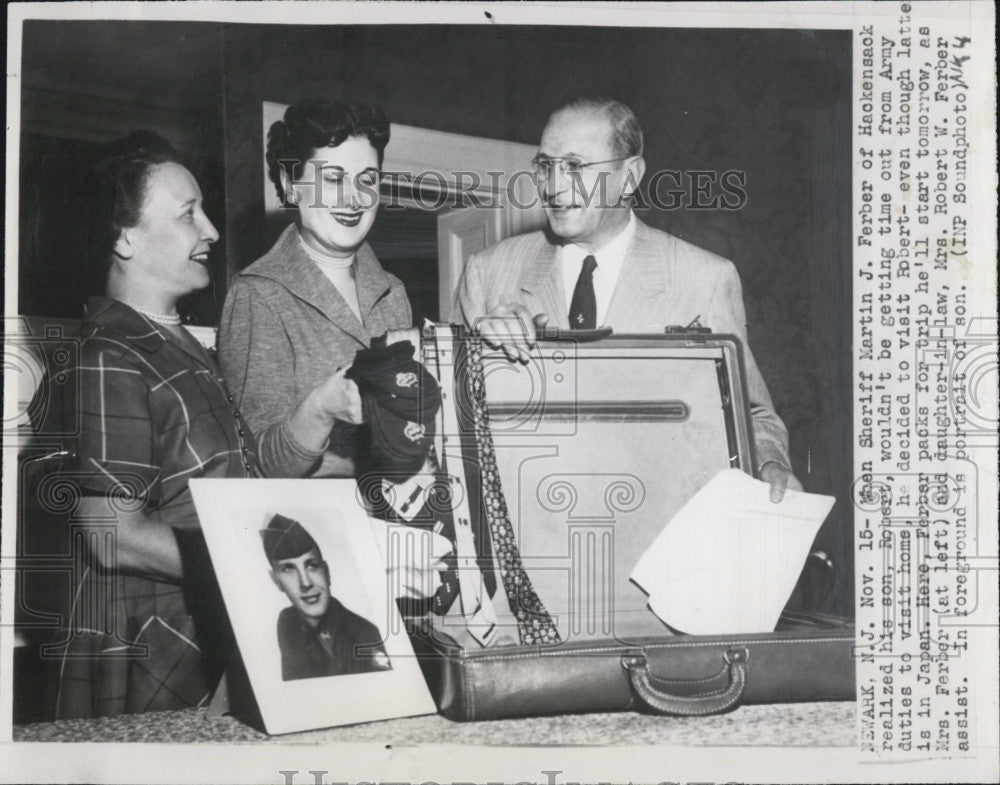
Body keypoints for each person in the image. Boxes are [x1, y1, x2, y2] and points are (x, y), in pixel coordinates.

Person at [456, 97, 802, 502]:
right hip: (530, 536)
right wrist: (476, 356)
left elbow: (753, 416)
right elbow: (444, 422)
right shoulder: (489, 272)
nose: (553, 186)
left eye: (575, 166)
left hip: (659, 537)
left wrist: (768, 464)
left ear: (629, 176)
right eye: (545, 166)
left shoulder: (704, 278)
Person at [54, 131, 255, 718]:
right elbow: (109, 532)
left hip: (203, 619)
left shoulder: (175, 342)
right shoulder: (109, 350)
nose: (211, 230)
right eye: (189, 214)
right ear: (123, 236)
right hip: (150, 639)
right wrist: (247, 566)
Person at [219, 99, 413, 479]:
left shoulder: (393, 293)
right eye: (334, 178)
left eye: (367, 180)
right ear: (292, 185)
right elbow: (258, 464)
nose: (354, 199)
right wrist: (322, 407)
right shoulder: (258, 294)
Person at [261, 514, 391, 680]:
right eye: (288, 569)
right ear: (276, 581)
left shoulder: (368, 638)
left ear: (327, 572)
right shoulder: (288, 623)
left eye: (312, 566)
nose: (305, 583)